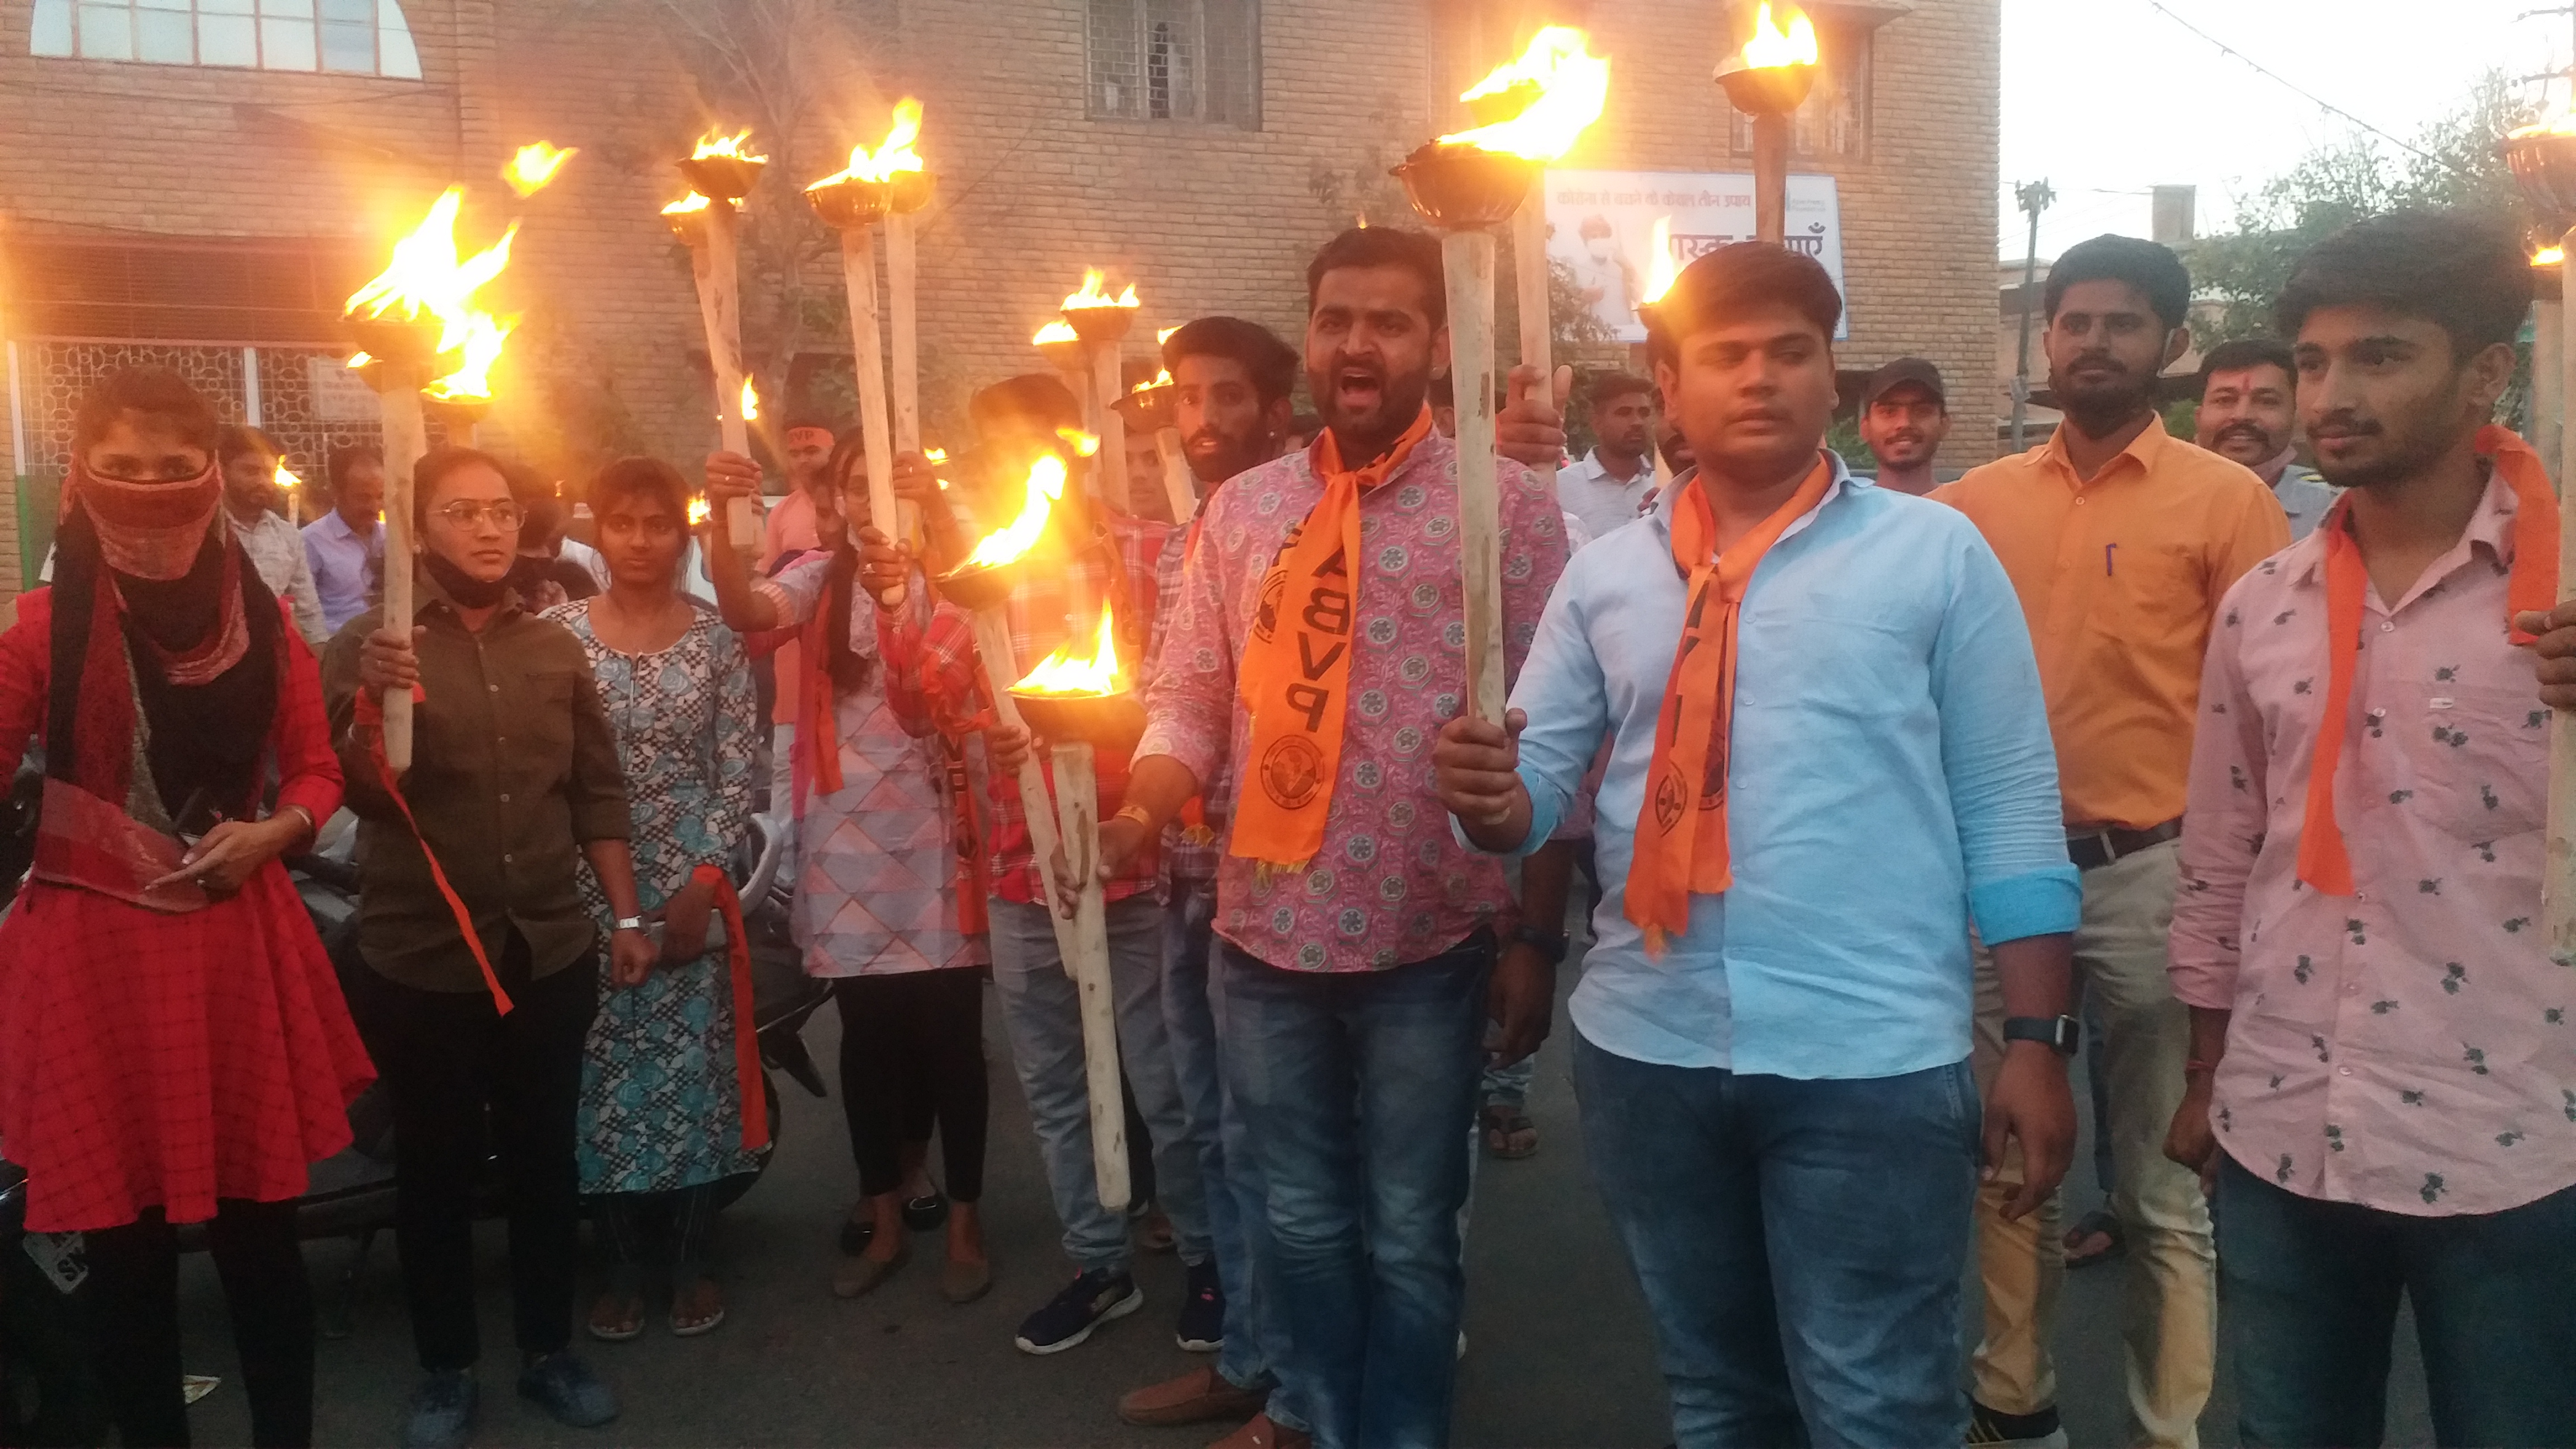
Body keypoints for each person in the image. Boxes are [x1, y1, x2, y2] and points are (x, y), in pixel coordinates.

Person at [1433, 241, 2077, 1448]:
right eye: (1725, 356)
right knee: (1719, 1394)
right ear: (1668, 390)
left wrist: (2038, 1043)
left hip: (1870, 1058)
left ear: (1832, 380)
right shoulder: (1606, 581)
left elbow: (2007, 806)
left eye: (1793, 352)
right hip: (1649, 1048)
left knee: (1878, 1403)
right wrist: (1482, 794)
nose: (1762, 377)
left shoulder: (1934, 556)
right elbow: (1536, 791)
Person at [1104, 225, 1575, 1449]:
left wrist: (1536, 934)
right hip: (1261, 936)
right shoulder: (1240, 512)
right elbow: (1189, 695)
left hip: (1432, 937)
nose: (1356, 345)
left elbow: (1565, 731)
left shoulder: (1510, 513)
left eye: (1388, 322)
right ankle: (1313, 1414)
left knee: (1413, 1232)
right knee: (1300, 1222)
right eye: (1335, 321)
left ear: (1434, 341)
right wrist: (1147, 805)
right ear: (1309, 337)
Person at [2177, 211, 2576, 1448]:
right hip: (2283, 1125)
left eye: (2381, 357)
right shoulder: (2264, 605)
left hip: (2513, 1135)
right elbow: (2221, 853)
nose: (2331, 394)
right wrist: (2205, 1077)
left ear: (2485, 371)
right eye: (2313, 361)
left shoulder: (2563, 601)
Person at [1935, 234, 2289, 1449]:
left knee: (2159, 1189)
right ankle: (2014, 1403)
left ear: (2171, 348)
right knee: (2008, 1161)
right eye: (2073, 320)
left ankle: (2167, 1428)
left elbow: (2271, 709)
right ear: (2047, 341)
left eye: (2122, 323)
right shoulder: (1970, 509)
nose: (2093, 341)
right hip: (2001, 883)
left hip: (2156, 876)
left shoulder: (2228, 503)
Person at [0, 367, 372, 1449]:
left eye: (174, 470)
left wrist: (276, 833)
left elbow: (314, 772)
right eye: (123, 470)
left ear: (210, 478)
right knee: (126, 1257)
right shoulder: (34, 633)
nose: (150, 492)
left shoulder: (266, 627)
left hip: (230, 948)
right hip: (93, 967)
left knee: (262, 1241)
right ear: (82, 478)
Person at [848, 380, 1220, 1361]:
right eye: (998, 447)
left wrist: (1094, 731)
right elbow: (923, 697)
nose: (1022, 462)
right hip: (1021, 870)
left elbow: (1197, 687)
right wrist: (899, 598)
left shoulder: (1147, 550)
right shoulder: (980, 566)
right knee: (1055, 1084)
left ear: (1075, 444)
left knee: (1165, 1077)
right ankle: (1096, 1263)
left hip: (1134, 858)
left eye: (1038, 441)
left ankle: (1209, 1256)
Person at [323, 446, 655, 1449]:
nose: (488, 528)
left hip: (545, 947)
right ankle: (444, 1365)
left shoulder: (554, 649)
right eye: (462, 511)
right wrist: (380, 709)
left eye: (504, 510)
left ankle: (549, 1348)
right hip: (421, 956)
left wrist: (627, 917)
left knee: (547, 1161)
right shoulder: (368, 648)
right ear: (420, 529)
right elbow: (363, 795)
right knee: (435, 1166)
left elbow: (595, 789)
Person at [704, 432, 995, 1305]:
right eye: (860, 488)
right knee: (867, 1039)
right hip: (844, 836)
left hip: (945, 832)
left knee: (952, 1039)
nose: (877, 505)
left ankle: (970, 1223)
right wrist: (725, 521)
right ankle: (885, 1217)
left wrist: (945, 519)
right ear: (839, 499)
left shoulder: (964, 570)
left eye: (895, 487)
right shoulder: (818, 574)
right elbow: (746, 609)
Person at [1116, 315, 1300, 1436]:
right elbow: (1179, 690)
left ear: (1279, 411)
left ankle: (1325, 1366)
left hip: (1282, 890)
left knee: (1293, 1141)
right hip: (1186, 870)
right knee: (1214, 1128)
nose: (1202, 421)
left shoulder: (1304, 522)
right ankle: (1250, 1349)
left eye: (1227, 396)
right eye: (1185, 398)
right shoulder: (1190, 532)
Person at [541, 457, 761, 1343]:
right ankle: (622, 1263)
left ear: (684, 533)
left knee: (693, 1077)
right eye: (621, 523)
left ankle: (692, 1257)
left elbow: (738, 769)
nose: (639, 541)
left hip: (688, 889)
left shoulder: (716, 644)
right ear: (597, 528)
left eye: (657, 524)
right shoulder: (556, 637)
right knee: (597, 1083)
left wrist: (704, 883)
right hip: (584, 888)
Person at [2195, 336, 2336, 539]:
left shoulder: (2337, 510)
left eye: (2267, 402)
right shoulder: (2158, 498)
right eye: (2225, 400)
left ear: (2296, 418)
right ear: (2199, 417)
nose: (2242, 416)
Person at [217, 425, 329, 645]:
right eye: (251, 471)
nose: (262, 481)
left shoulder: (287, 536)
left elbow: (308, 611)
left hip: (271, 651)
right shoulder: (204, 529)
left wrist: (320, 663)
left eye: (268, 473)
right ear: (222, 471)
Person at [1560, 372, 1659, 541]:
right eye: (1624, 413)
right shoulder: (1561, 487)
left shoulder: (1664, 487)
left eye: (1644, 413)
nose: (1638, 422)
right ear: (1597, 424)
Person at [302, 442, 386, 634]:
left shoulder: (390, 538)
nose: (375, 507)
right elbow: (303, 611)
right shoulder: (310, 541)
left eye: (380, 496)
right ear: (335, 493)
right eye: (363, 498)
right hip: (339, 648)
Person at [1854, 357, 1950, 496]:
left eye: (1922, 411)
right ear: (1865, 428)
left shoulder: (1970, 511)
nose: (1905, 423)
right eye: (1889, 412)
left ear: (1944, 425)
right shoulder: (1842, 514)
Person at [759, 418, 842, 567]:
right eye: (795, 454)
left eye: (812, 451)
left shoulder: (854, 500)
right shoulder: (781, 512)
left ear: (832, 451)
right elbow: (767, 571)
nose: (803, 460)